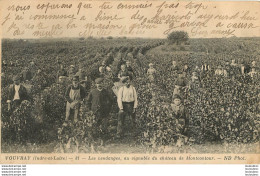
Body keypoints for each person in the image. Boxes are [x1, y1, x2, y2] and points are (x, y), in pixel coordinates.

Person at [86, 78, 113, 145]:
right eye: (98, 84)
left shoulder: (106, 92)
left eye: (101, 83)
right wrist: (90, 110)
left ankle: (103, 140)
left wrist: (108, 108)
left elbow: (111, 101)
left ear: (103, 84)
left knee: (104, 126)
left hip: (104, 112)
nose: (99, 85)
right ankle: (95, 140)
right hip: (94, 112)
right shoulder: (93, 91)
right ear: (96, 84)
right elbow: (88, 101)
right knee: (95, 126)